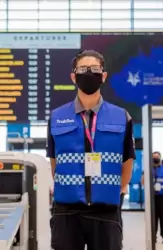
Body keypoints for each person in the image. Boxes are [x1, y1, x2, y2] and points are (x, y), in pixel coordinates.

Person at [47, 50, 135, 250]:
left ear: (103, 76)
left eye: (94, 69)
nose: (88, 73)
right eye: (83, 69)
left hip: (106, 212)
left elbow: (127, 166)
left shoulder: (122, 117)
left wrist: (104, 189)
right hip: (66, 213)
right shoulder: (56, 117)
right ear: (73, 76)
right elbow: (55, 165)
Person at [142, 152, 163, 244]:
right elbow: (143, 182)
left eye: (157, 156)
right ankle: (153, 236)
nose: (155, 158)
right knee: (153, 218)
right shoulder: (148, 169)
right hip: (152, 197)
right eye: (154, 156)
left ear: (160, 157)